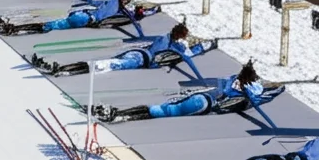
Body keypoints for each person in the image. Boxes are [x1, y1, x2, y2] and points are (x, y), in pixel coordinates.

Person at [93, 61, 283, 126]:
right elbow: (259, 98)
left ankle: (120, 112)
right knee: (164, 113)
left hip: (204, 96)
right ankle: (121, 116)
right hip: (206, 104)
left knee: (162, 108)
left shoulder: (232, 77)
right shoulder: (251, 90)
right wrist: (277, 90)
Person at [31, 22, 217, 78]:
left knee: (104, 62)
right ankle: (62, 68)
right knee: (106, 65)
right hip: (140, 59)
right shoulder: (174, 45)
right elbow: (188, 54)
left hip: (138, 53)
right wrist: (206, 46)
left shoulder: (164, 37)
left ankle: (62, 66)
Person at [0, 0, 151, 37]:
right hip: (86, 19)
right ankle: (17, 28)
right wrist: (138, 15)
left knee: (51, 23)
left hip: (84, 13)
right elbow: (130, 17)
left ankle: (16, 26)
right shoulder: (119, 6)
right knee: (50, 26)